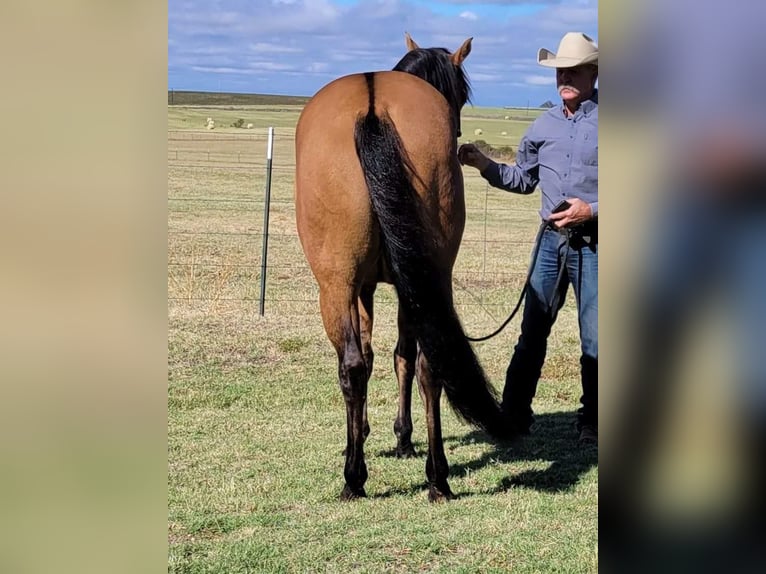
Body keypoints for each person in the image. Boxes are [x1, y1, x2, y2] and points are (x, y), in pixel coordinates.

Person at [458, 32, 599, 444]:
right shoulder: (544, 124)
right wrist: (485, 164)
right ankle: (514, 416)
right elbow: (522, 180)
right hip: (551, 245)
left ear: (594, 72)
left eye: (573, 70)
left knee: (597, 337)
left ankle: (593, 421)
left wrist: (592, 209)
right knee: (532, 331)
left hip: (598, 245)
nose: (565, 78)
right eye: (560, 71)